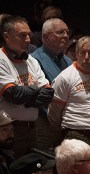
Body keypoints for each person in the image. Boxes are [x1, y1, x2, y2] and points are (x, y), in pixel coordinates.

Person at [47, 36, 90, 174]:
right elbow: (54, 112)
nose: (87, 57)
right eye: (83, 52)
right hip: (76, 133)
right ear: (76, 53)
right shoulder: (65, 77)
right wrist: (64, 131)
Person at [0, 16, 53, 158]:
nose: (28, 40)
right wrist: (36, 90)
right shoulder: (1, 60)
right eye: (22, 36)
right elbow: (13, 94)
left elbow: (48, 94)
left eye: (29, 35)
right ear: (6, 36)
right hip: (10, 132)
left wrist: (27, 97)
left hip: (32, 129)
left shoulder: (32, 61)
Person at [30, 17, 72, 152]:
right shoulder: (34, 60)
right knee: (46, 166)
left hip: (67, 123)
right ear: (45, 36)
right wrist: (56, 120)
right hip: (45, 124)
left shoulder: (69, 61)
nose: (65, 36)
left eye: (67, 32)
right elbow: (38, 96)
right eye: (60, 32)